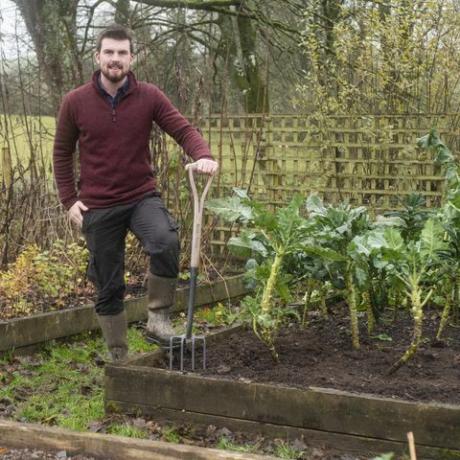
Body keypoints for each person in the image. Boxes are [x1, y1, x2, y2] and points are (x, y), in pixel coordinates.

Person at [53, 24, 218, 363]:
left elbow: (182, 129)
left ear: (132, 58)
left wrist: (202, 155)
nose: (115, 59)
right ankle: (119, 356)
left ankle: (158, 320)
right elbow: (61, 153)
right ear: (97, 56)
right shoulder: (75, 102)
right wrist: (69, 201)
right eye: (109, 52)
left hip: (141, 196)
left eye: (122, 53)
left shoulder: (149, 96)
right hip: (97, 205)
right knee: (108, 282)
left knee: (165, 240)